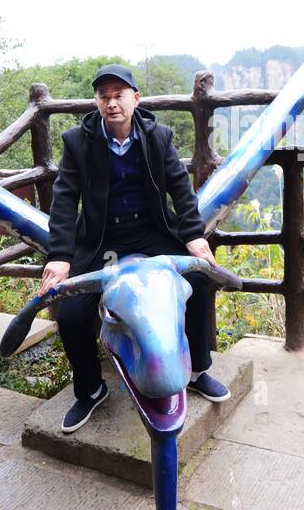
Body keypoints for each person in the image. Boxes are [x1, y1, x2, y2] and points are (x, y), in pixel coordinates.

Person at [38, 63, 231, 433]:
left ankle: (196, 369)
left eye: (119, 95)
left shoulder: (158, 137)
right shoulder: (78, 143)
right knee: (71, 313)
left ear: (135, 98)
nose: (112, 103)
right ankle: (91, 389)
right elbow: (64, 202)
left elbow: (180, 188)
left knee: (201, 282)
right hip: (101, 239)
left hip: (151, 233)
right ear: (97, 102)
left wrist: (193, 236)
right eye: (104, 96)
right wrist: (61, 258)